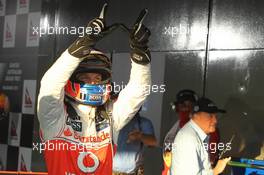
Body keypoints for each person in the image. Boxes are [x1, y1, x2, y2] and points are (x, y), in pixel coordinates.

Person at [37, 4, 151, 175]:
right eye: (85, 77)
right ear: (71, 79)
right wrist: (85, 42)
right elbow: (50, 86)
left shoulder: (110, 115)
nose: (92, 83)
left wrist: (140, 53)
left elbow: (139, 91)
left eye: (98, 78)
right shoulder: (55, 117)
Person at [170, 97, 231, 175]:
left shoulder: (198, 136)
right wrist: (216, 170)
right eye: (210, 115)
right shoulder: (189, 138)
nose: (215, 120)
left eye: (215, 116)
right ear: (195, 115)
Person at [162, 89, 198, 175]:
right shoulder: (173, 131)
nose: (185, 108)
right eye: (182, 105)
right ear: (177, 107)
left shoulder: (202, 128)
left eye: (189, 105)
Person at [112, 108, 157, 175]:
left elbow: (153, 143)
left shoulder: (144, 122)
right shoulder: (111, 121)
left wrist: (140, 136)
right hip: (110, 171)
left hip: (134, 172)